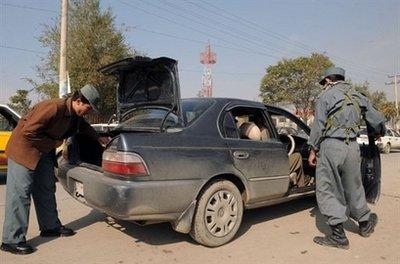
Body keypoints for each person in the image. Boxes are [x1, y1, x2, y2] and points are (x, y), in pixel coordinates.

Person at [1, 84, 109, 255]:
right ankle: (11, 240)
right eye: (88, 108)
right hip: (24, 150)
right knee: (20, 194)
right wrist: (54, 142)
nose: (89, 112)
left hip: (43, 150)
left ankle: (50, 227)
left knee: (46, 188)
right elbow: (28, 131)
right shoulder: (53, 107)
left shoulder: (75, 115)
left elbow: (84, 127)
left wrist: (99, 139)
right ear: (79, 100)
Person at [308, 67, 386, 249]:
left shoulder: (325, 97)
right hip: (352, 146)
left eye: (324, 82)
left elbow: (318, 127)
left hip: (331, 146)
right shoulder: (358, 95)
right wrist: (377, 133)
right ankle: (365, 223)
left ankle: (338, 236)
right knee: (354, 186)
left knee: (327, 189)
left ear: (328, 80)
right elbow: (377, 118)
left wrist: (313, 149)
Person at [239, 122, 310, 187]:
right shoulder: (263, 142)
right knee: (297, 156)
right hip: (272, 170)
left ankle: (293, 179)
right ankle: (301, 185)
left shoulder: (240, 143)